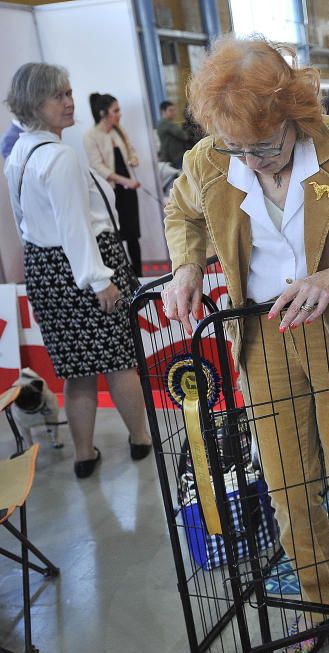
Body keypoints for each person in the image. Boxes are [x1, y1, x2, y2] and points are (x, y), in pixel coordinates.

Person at [159, 37, 329, 653]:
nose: (250, 163)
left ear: (295, 113)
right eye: (236, 149)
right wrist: (186, 265)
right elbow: (182, 212)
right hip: (262, 343)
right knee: (290, 490)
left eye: (265, 147)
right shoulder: (211, 160)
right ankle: (317, 603)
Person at [4, 63, 151, 479]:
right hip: (85, 267)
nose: (70, 103)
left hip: (46, 270)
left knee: (76, 370)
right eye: (59, 96)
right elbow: (76, 227)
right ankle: (140, 438)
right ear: (36, 103)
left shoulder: (18, 152)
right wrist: (99, 280)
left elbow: (26, 223)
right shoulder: (60, 156)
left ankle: (83, 454)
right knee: (120, 361)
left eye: (70, 93)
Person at [84, 93, 143, 276]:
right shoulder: (90, 136)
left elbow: (131, 150)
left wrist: (133, 159)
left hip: (129, 190)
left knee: (133, 234)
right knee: (117, 235)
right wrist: (126, 181)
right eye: (116, 110)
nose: (120, 114)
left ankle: (140, 275)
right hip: (112, 192)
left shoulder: (119, 130)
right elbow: (98, 167)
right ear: (103, 113)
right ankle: (125, 275)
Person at [157, 99, 189, 169]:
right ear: (163, 111)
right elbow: (184, 136)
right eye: (171, 110)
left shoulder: (162, 123)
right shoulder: (167, 124)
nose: (174, 112)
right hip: (175, 157)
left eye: (174, 110)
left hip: (171, 157)